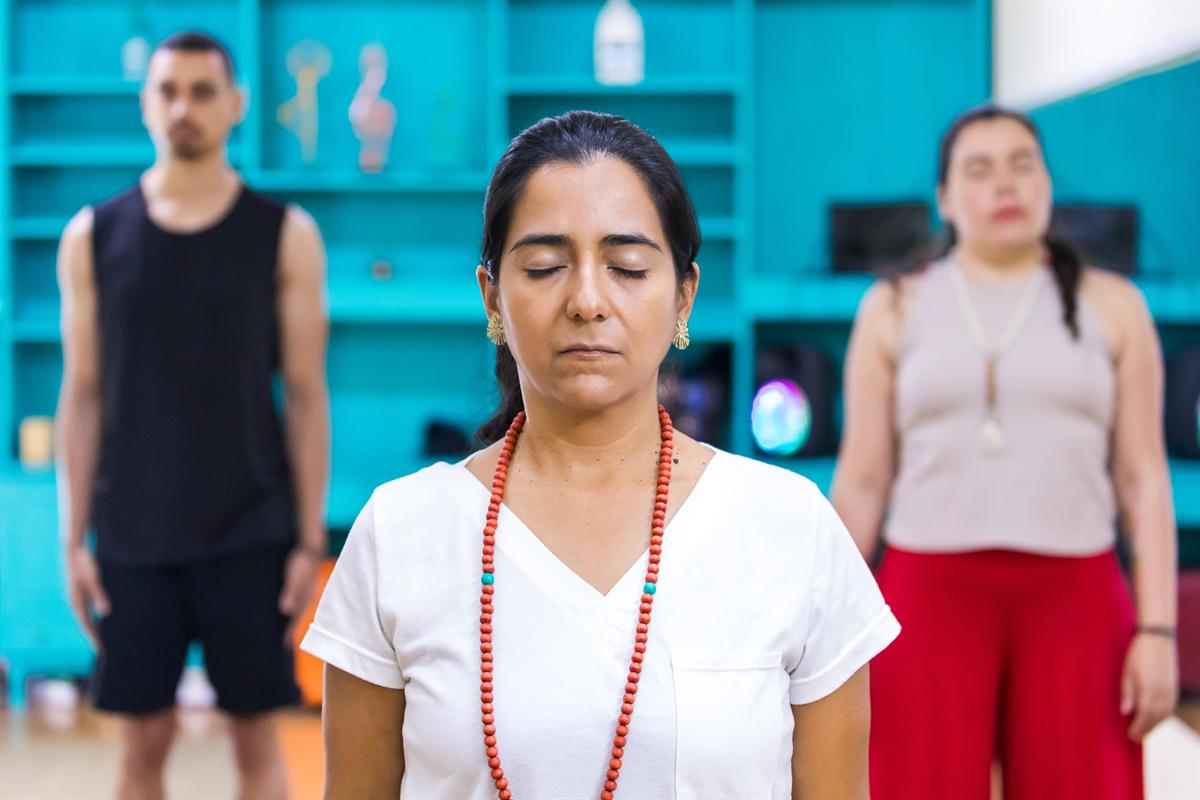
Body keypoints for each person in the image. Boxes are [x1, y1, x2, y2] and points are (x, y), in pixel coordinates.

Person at [300, 110, 900, 799]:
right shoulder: (400, 532)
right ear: (492, 297)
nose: (587, 300)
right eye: (547, 266)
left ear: (684, 298)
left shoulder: (788, 525)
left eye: (628, 267)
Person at [832, 104, 1179, 800]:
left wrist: (1160, 631)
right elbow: (864, 480)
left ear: (1048, 184)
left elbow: (1143, 479)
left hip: (1076, 596)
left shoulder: (1116, 307)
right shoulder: (892, 306)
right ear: (945, 199)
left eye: (1023, 165)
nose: (1006, 185)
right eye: (980, 170)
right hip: (927, 593)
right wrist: (824, 628)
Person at [56, 32, 330, 800]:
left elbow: (307, 396)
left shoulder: (285, 235)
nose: (184, 108)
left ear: (234, 105)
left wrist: (309, 540)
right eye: (168, 90)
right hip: (134, 534)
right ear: (147, 104)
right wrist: (73, 538)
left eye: (202, 91)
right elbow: (80, 396)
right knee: (141, 743)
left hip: (252, 530)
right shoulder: (93, 235)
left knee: (256, 740)